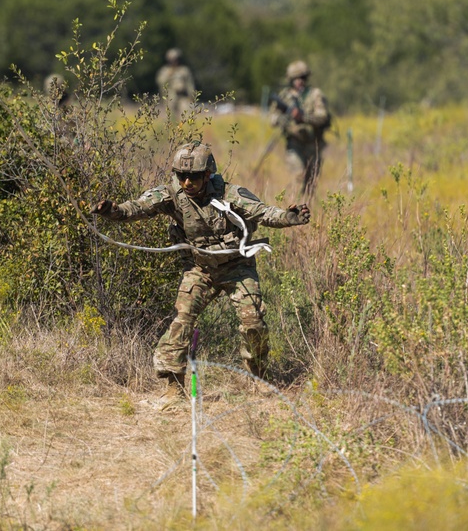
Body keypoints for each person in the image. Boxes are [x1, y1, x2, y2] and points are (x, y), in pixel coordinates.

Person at [92, 141, 311, 409]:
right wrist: (111, 211)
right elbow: (135, 208)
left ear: (208, 174)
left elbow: (265, 212)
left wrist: (289, 217)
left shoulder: (231, 194)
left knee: (253, 321)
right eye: (181, 176)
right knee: (181, 322)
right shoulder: (172, 195)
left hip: (237, 267)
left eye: (193, 176)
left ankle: (258, 377)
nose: (186, 182)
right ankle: (174, 389)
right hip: (200, 270)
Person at [272, 60, 331, 198]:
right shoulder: (284, 96)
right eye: (296, 78)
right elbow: (273, 118)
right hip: (294, 144)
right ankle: (295, 211)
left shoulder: (315, 94)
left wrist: (303, 117)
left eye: (302, 78)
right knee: (298, 176)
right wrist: (285, 119)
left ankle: (307, 209)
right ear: (291, 79)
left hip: (313, 144)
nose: (299, 81)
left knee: (311, 182)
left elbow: (322, 116)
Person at [156, 48, 197, 116]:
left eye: (176, 59)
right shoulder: (165, 71)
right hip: (171, 97)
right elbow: (160, 82)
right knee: (170, 116)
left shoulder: (184, 70)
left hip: (183, 96)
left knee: (186, 114)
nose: (174, 61)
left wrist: (192, 95)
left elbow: (189, 83)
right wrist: (169, 75)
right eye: (172, 59)